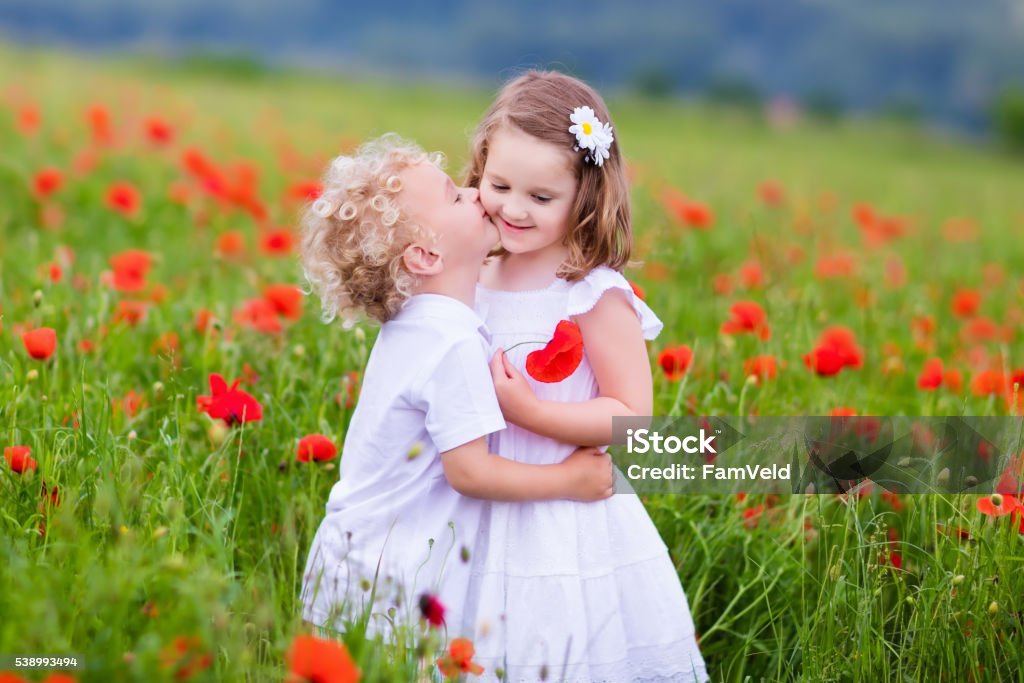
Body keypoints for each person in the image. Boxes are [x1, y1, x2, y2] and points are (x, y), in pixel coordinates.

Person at [297, 134, 614, 641]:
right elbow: (469, 470)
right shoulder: (450, 339)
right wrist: (568, 480)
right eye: (453, 196)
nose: (473, 194)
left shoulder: (417, 326)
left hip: (350, 555)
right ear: (424, 256)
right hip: (392, 575)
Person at [464, 71, 709, 681]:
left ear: (586, 196)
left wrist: (534, 414)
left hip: (565, 511)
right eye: (499, 185)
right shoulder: (473, 272)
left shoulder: (592, 294)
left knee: (557, 645)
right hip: (473, 498)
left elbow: (633, 414)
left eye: (541, 198)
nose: (513, 208)